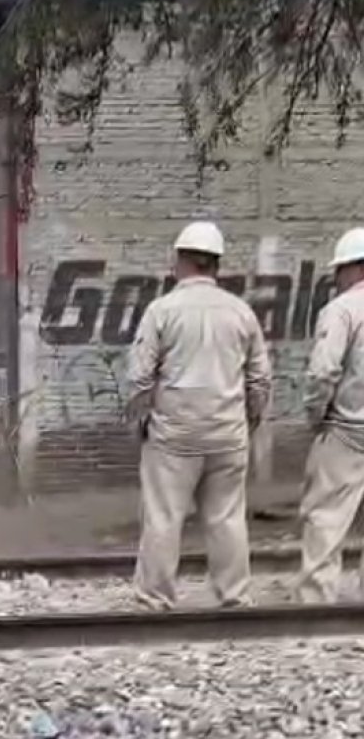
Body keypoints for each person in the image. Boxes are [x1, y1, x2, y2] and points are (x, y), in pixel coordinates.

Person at [125, 220, 273, 610]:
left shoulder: (162, 311)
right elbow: (260, 379)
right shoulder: (241, 312)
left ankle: (155, 598)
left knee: (163, 517)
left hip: (173, 436)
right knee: (227, 517)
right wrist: (249, 421)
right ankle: (234, 597)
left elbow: (140, 377)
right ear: (216, 264)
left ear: (180, 261)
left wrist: (143, 421)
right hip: (228, 434)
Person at [292, 227, 364, 603]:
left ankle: (317, 604)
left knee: (326, 519)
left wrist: (315, 416)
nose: (336, 278)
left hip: (347, 431)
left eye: (339, 270)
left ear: (354, 268)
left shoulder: (342, 310)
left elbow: (323, 371)